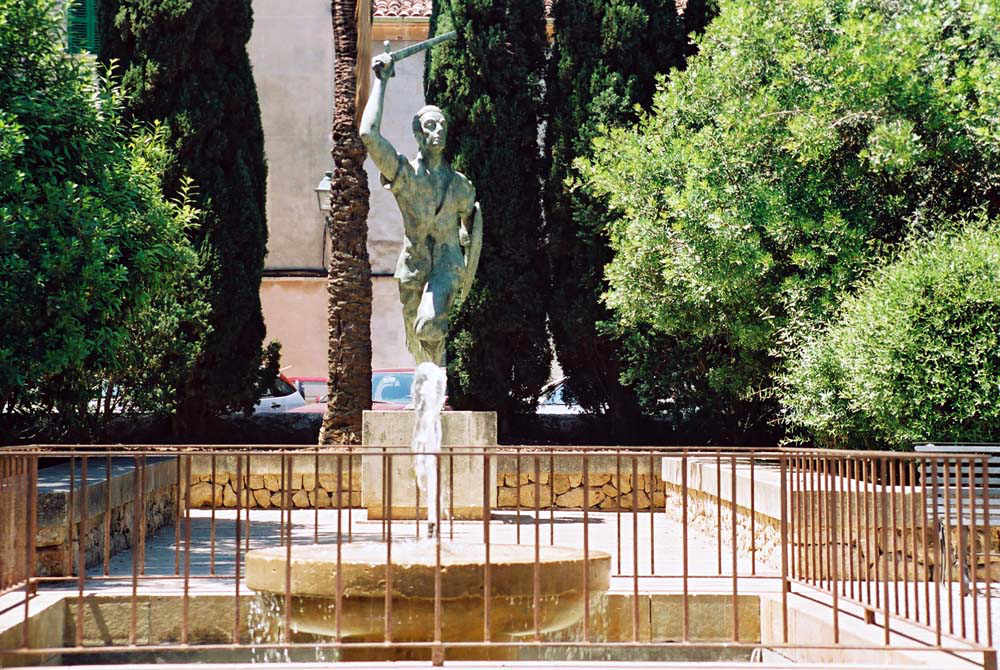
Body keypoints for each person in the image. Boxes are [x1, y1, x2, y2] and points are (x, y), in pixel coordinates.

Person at [359, 51, 483, 367]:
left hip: (447, 264)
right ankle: (433, 401)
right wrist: (380, 82)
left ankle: (433, 398)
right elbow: (368, 135)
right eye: (430, 126)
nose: (437, 131)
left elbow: (473, 219)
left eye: (441, 126)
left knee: (428, 324)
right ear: (418, 133)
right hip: (412, 268)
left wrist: (466, 256)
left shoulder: (459, 185)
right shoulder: (406, 176)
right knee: (419, 347)